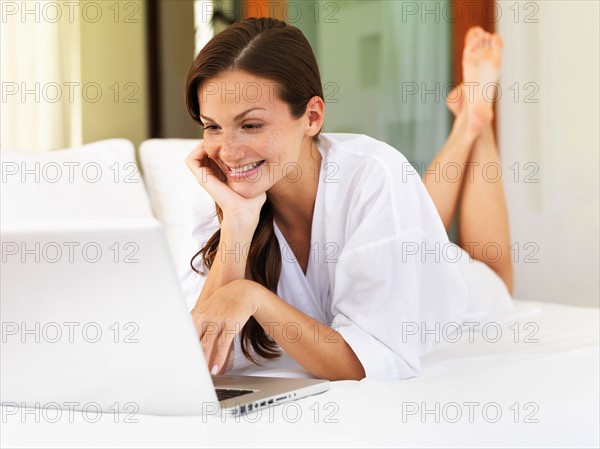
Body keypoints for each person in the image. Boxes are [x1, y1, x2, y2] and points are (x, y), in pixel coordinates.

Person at [179, 17, 514, 381]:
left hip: (466, 293)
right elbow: (200, 358)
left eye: (251, 125)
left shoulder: (373, 173)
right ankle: (471, 117)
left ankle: (474, 123)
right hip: (392, 237)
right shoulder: (226, 195)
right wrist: (238, 225)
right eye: (212, 126)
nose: (227, 153)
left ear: (312, 117)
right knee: (412, 211)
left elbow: (367, 361)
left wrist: (253, 296)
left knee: (496, 274)